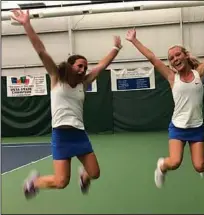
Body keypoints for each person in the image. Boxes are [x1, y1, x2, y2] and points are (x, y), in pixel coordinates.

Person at [11, 9, 123, 198]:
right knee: (61, 182)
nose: (83, 69)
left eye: (85, 67)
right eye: (80, 65)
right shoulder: (56, 77)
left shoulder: (84, 83)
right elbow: (41, 50)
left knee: (95, 173)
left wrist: (116, 49)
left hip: (79, 134)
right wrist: (26, 24)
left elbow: (102, 66)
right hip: (61, 136)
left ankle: (84, 177)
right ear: (71, 65)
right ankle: (34, 182)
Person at [126, 11, 204, 188]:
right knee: (175, 162)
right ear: (171, 64)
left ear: (185, 55)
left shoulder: (198, 73)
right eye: (171, 58)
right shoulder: (172, 78)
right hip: (178, 127)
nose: (175, 59)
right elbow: (152, 58)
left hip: (196, 127)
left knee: (200, 166)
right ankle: (161, 166)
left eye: (178, 55)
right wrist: (134, 41)